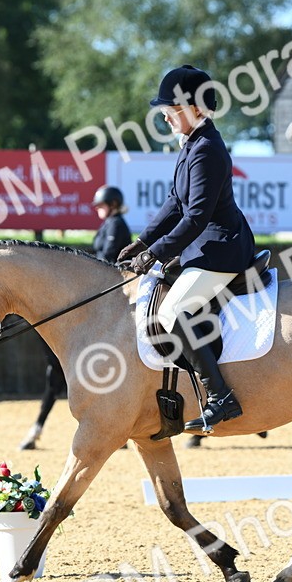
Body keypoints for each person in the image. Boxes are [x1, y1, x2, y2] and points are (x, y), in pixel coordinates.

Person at [116, 64, 256, 433]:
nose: (164, 116)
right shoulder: (191, 144)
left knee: (174, 312)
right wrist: (142, 241)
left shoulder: (207, 149)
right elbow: (174, 203)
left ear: (195, 107)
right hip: (202, 246)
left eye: (171, 109)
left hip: (220, 248)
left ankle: (221, 397)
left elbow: (195, 217)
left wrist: (156, 253)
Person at [91, 185, 132, 263]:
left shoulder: (116, 224)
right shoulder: (109, 222)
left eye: (100, 205)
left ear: (113, 204)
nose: (97, 208)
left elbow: (108, 255)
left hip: (114, 272)